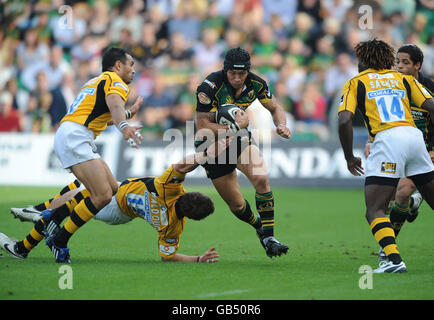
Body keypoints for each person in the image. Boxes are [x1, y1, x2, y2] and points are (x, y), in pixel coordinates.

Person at [0, 152, 219, 263]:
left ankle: (25, 244)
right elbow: (167, 256)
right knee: (79, 185)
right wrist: (198, 259)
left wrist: (205, 155)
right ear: (191, 218)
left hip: (115, 206)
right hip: (120, 204)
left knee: (82, 192)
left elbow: (182, 165)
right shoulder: (174, 226)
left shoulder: (168, 188)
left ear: (188, 194)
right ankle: (38, 215)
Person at [338, 39, 434, 273]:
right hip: (414, 137)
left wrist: (350, 156)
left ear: (364, 60)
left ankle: (393, 261)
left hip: (388, 139)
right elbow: (431, 105)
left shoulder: (355, 82)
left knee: (375, 209)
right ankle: (392, 258)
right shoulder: (404, 79)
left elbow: (344, 120)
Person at [41, 47, 144, 263]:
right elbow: (115, 105)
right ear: (118, 65)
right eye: (130, 64)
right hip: (76, 136)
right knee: (103, 195)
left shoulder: (96, 81)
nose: (133, 69)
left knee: (113, 190)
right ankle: (59, 238)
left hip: (73, 133)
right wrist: (124, 125)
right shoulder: (116, 82)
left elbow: (99, 115)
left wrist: (126, 114)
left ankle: (52, 215)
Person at [194, 47, 291, 258]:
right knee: (237, 205)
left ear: (248, 71)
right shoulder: (209, 86)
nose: (237, 78)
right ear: (225, 70)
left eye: (242, 74)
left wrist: (281, 124)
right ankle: (258, 226)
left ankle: (269, 237)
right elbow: (202, 124)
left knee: (261, 179)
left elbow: (275, 108)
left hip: (239, 138)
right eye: (232, 74)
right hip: (210, 144)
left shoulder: (257, 83)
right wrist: (233, 129)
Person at [364, 44, 434, 262]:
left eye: (405, 62)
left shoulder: (428, 89)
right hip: (400, 148)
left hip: (425, 150)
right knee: (394, 195)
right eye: (398, 62)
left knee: (402, 192)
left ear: (417, 65)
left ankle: (389, 249)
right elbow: (382, 115)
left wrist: (432, 148)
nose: (400, 66)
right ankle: (413, 205)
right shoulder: (392, 83)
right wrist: (371, 139)